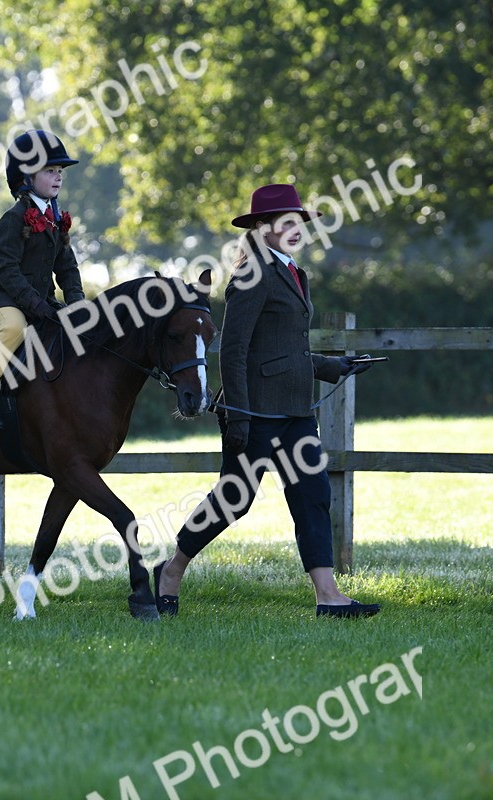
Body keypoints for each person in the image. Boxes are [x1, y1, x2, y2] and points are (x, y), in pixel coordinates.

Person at [153, 183, 382, 618]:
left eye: (298, 222)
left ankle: (328, 597)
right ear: (261, 229)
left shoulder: (294, 272)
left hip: (295, 411)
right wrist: (237, 415)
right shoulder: (251, 274)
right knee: (233, 500)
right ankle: (171, 570)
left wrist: (333, 366)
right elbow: (235, 349)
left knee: (312, 495)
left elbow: (283, 348)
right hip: (254, 412)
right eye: (285, 222)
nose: (296, 229)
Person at [0, 130, 85, 430]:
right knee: (15, 328)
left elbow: (67, 268)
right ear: (26, 177)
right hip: (2, 299)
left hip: (39, 302)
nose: (58, 177)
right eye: (50, 171)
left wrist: (78, 305)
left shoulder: (56, 219)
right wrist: (35, 303)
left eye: (59, 172)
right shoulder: (14, 218)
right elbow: (8, 270)